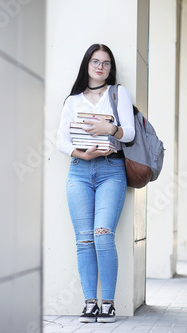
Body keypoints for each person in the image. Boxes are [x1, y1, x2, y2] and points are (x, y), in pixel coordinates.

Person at [56, 43, 135, 323]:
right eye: (95, 62)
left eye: (106, 63)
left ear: (110, 69)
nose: (100, 67)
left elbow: (130, 133)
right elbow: (61, 140)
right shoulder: (73, 100)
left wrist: (109, 129)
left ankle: (109, 304)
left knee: (103, 234)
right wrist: (82, 153)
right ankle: (90, 303)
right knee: (84, 239)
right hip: (79, 171)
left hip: (111, 170)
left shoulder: (118, 93)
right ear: (86, 65)